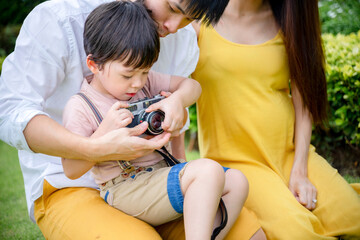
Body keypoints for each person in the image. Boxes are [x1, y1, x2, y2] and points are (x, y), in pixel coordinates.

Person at [0, 0, 266, 239]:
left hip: (159, 177)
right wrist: (96, 148)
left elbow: (179, 107)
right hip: (73, 184)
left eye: (188, 19)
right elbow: (10, 109)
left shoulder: (178, 42)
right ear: (94, 65)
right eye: (173, 8)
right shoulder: (61, 19)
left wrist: (177, 109)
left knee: (253, 234)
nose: (173, 27)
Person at [61, 2, 249, 239]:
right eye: (128, 75)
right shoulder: (81, 106)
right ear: (94, 64)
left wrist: (177, 101)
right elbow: (70, 169)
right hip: (125, 187)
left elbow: (192, 86)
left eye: (145, 71)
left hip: (162, 174)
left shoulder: (144, 83)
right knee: (208, 171)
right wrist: (101, 136)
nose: (138, 83)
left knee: (237, 181)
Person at [191, 0, 360, 239]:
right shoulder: (198, 20)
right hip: (238, 166)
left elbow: (304, 104)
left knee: (353, 216)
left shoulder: (289, 20)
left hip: (291, 155)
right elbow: (172, 91)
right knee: (297, 233)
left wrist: (300, 170)